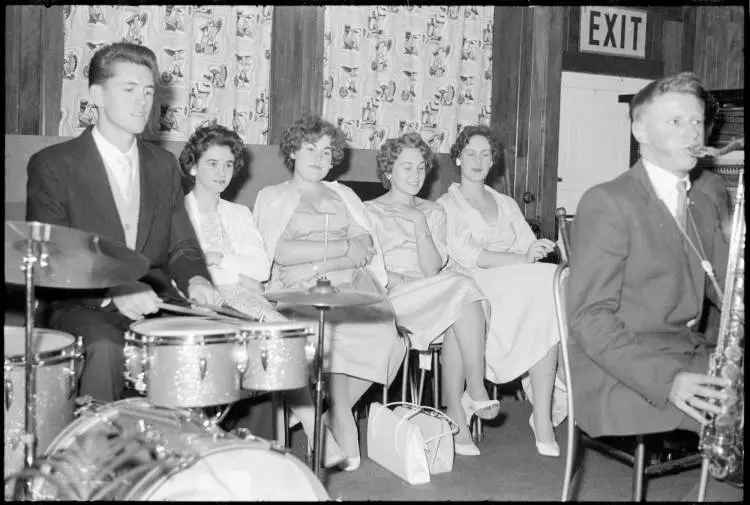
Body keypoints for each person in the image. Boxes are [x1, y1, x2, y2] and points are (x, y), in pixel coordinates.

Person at [567, 73, 739, 500]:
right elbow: (589, 320)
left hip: (689, 352)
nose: (692, 133)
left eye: (697, 123)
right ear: (639, 130)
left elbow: (726, 288)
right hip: (625, 373)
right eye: (675, 122)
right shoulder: (608, 202)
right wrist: (670, 380)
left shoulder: (707, 192)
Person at [26, 42, 223, 403]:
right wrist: (113, 290)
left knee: (230, 345)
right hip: (82, 307)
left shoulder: (164, 166)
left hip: (155, 305)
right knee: (105, 347)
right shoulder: (53, 165)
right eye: (129, 89)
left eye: (148, 92)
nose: (142, 102)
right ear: (96, 95)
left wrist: (196, 278)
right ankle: (99, 455)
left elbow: (182, 245)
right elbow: (51, 260)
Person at [178, 123, 345, 466]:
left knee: (281, 339)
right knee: (273, 338)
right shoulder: (177, 213)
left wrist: (218, 260)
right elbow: (183, 270)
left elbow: (260, 270)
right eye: (212, 163)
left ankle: (304, 438)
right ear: (193, 166)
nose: (222, 172)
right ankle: (317, 433)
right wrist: (233, 274)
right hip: (197, 304)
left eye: (228, 164)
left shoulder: (238, 214)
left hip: (246, 301)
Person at [253, 114, 407, 471]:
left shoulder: (343, 194)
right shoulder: (273, 196)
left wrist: (345, 251)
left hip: (350, 282)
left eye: (326, 151)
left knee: (387, 338)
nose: (319, 157)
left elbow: (365, 242)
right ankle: (330, 421)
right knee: (309, 337)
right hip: (299, 287)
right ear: (293, 151)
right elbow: (281, 252)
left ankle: (335, 409)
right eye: (310, 148)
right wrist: (339, 250)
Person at [366, 133, 499, 456]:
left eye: (421, 168)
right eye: (406, 168)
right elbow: (371, 269)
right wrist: (398, 279)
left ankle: (456, 413)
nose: (415, 175)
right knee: (461, 289)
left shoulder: (433, 212)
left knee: (460, 301)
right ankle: (475, 389)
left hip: (431, 291)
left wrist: (418, 222)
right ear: (388, 172)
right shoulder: (368, 211)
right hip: (392, 298)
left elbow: (429, 270)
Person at [437, 125, 563, 457]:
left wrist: (535, 249)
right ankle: (469, 400)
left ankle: (543, 416)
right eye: (470, 153)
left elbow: (526, 244)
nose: (478, 160)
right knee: (545, 287)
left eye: (485, 154)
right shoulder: (447, 204)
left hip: (513, 283)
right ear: (458, 159)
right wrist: (522, 257)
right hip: (471, 283)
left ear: (493, 161)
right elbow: (468, 256)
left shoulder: (505, 202)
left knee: (549, 287)